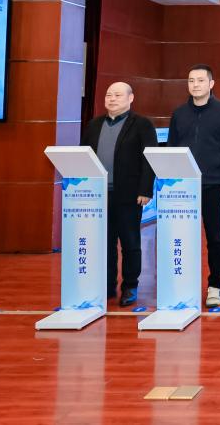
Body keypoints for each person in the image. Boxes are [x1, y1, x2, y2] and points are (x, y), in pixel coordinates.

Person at [167, 64, 220, 309]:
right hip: (183, 187)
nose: (195, 84)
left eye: (200, 80)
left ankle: (215, 285)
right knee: (181, 236)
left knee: (215, 237)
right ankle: (182, 284)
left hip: (213, 185)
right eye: (191, 80)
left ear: (211, 84)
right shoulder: (179, 114)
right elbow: (171, 150)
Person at [81, 81, 158, 307]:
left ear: (130, 98)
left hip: (129, 195)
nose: (112, 99)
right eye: (108, 95)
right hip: (99, 195)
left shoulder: (142, 124)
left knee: (130, 242)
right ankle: (107, 285)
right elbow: (84, 154)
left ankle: (130, 286)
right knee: (104, 242)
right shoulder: (94, 125)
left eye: (117, 95)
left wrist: (145, 189)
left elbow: (149, 159)